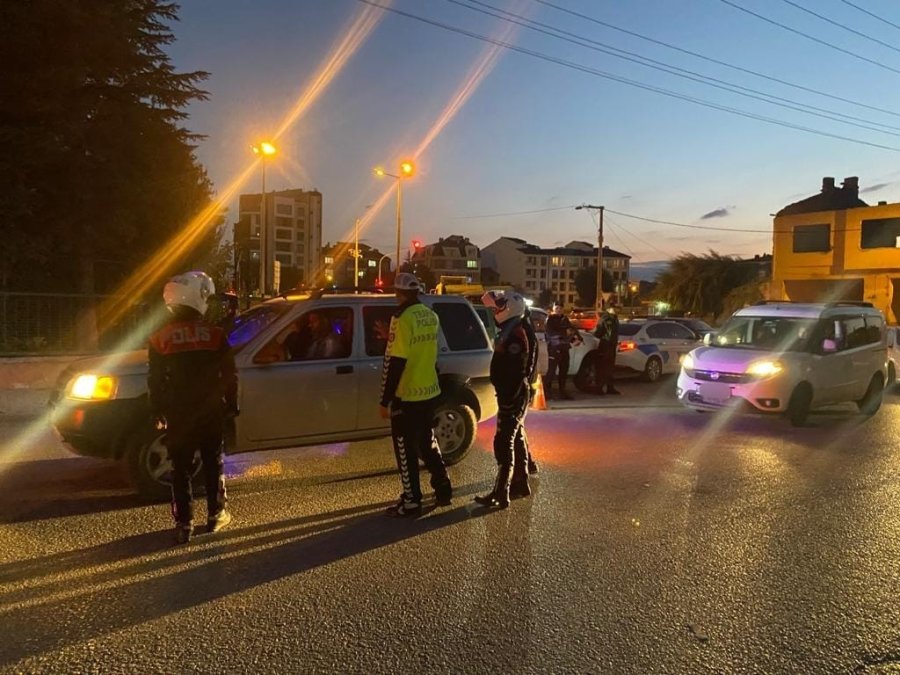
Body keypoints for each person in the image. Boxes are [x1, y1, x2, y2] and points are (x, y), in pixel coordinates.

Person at [148, 271, 238, 544]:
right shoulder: (214, 335)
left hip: (178, 413)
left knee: (181, 468)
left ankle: (184, 524)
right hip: (210, 410)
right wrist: (231, 406)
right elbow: (230, 375)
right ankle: (215, 516)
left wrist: (158, 411)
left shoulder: (159, 338)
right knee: (213, 463)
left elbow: (155, 381)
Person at [379, 273, 452, 517]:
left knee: (405, 448)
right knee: (427, 441)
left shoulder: (401, 318)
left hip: (407, 394)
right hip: (429, 390)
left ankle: (411, 500)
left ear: (398, 294)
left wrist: (385, 399)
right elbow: (422, 350)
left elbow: (395, 362)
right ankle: (443, 487)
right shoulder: (430, 315)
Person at [476, 290, 535, 508]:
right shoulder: (511, 330)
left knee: (503, 442)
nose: (495, 311)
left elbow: (516, 371)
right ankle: (520, 483)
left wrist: (510, 401)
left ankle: (500, 493)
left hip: (513, 395)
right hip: (511, 394)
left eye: (498, 307)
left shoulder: (516, 334)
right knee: (516, 438)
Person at [545, 303, 578, 400]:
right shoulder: (550, 319)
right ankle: (547, 393)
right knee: (551, 371)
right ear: (553, 309)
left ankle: (562, 392)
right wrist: (565, 333)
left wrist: (574, 339)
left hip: (564, 348)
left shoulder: (565, 319)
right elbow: (551, 333)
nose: (559, 310)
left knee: (564, 370)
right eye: (557, 308)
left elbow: (570, 332)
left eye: (560, 308)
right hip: (554, 348)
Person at [594, 305, 621, 395]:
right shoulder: (605, 319)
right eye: (614, 308)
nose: (616, 309)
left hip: (612, 345)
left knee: (610, 367)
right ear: (608, 309)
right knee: (603, 367)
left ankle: (610, 387)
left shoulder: (614, 318)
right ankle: (599, 387)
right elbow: (598, 332)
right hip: (605, 344)